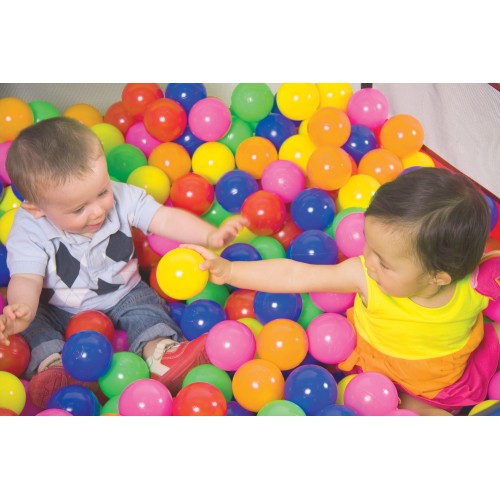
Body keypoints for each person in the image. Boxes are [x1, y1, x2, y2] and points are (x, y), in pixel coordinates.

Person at [184, 168, 500, 416]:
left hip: (443, 382)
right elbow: (294, 274)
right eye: (368, 244)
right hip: (384, 375)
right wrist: (230, 270)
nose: (369, 261)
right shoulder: (364, 276)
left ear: (439, 277)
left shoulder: (480, 280)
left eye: (385, 263)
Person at [0, 116, 245, 409]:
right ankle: (55, 367)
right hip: (56, 306)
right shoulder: (29, 228)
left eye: (102, 192)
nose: (98, 211)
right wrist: (22, 309)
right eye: (79, 209)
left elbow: (162, 218)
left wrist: (209, 234)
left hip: (124, 292)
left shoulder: (120, 196)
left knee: (147, 308)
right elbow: (26, 278)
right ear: (36, 208)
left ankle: (162, 354)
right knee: (34, 325)